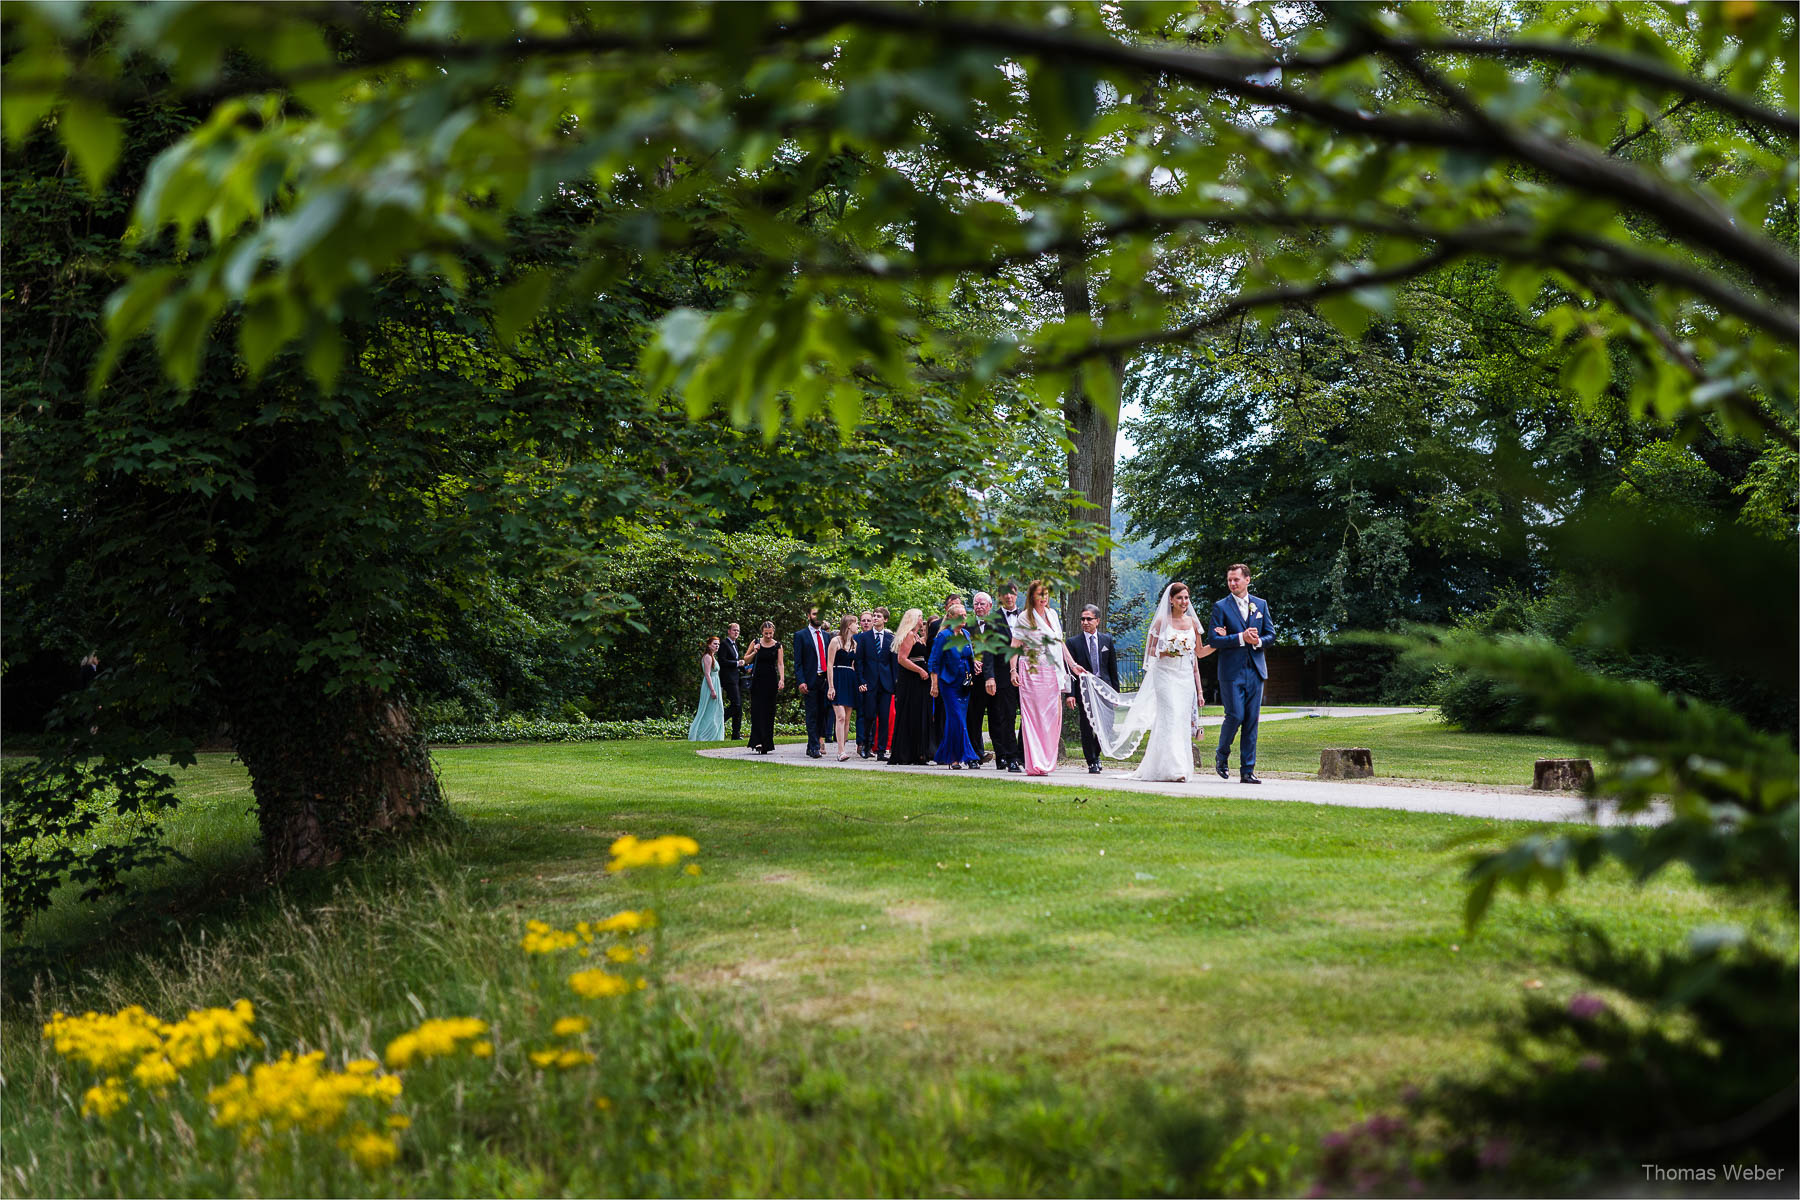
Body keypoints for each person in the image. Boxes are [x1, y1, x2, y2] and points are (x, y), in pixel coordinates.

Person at [1080, 583, 1215, 782]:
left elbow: (1200, 653)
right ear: (1171, 599)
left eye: (1186, 598)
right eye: (1179, 598)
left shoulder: (1193, 623)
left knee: (1180, 719)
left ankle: (1177, 766)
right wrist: (1166, 650)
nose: (1184, 602)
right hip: (1165, 675)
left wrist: (1220, 642)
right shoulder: (1162, 621)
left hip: (1184, 678)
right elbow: (1151, 651)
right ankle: (1174, 769)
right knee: (1169, 715)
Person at [1009, 581, 1087, 776]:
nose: (1043, 598)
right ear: (1032, 597)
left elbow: (1059, 642)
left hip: (1052, 672)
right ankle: (1034, 761)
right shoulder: (1024, 618)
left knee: (1051, 717)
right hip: (1032, 670)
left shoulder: (1052, 615)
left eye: (1046, 594)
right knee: (1034, 717)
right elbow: (1014, 646)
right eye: (1039, 595)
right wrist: (1013, 670)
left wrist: (1072, 664)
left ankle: (1046, 760)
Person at [1208, 563, 1276, 784]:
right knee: (1235, 715)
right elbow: (1214, 640)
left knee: (1251, 722)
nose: (1232, 583)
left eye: (1236, 579)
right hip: (1231, 671)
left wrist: (1257, 641)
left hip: (1255, 670)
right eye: (1229, 580)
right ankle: (1222, 754)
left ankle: (1247, 771)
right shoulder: (1220, 607)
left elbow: (1271, 635)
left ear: (1247, 579)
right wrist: (1239, 638)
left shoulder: (1260, 605)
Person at [1064, 604, 1121, 774]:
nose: (1085, 622)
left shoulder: (1106, 640)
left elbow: (1112, 669)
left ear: (1097, 621)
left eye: (1089, 619)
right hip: (1084, 690)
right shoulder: (1073, 643)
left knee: (1107, 726)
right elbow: (1070, 672)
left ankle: (1096, 753)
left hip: (1104, 689)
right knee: (1087, 726)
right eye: (1083, 619)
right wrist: (1070, 694)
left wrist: (1115, 694)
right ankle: (1091, 761)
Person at [927, 597, 982, 769]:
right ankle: (970, 756)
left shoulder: (966, 634)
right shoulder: (943, 635)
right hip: (948, 683)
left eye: (965, 615)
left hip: (964, 682)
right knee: (958, 719)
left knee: (955, 721)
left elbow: (968, 655)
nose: (964, 619)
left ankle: (952, 758)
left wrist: (976, 664)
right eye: (960, 616)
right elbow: (934, 662)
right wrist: (934, 685)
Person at [969, 591, 1020, 772]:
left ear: (990, 606)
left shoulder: (998, 622)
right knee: (973, 716)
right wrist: (972, 661)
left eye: (983, 603)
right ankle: (974, 755)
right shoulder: (967, 625)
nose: (979, 607)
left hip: (998, 676)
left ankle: (1003, 756)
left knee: (998, 717)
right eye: (976, 604)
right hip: (973, 677)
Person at [887, 608, 934, 765]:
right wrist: (920, 670)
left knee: (920, 714)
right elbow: (902, 658)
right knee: (911, 713)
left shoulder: (917, 637)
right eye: (920, 617)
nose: (922, 620)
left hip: (921, 682)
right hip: (912, 681)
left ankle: (919, 751)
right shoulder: (908, 635)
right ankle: (908, 752)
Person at [855, 607, 895, 760]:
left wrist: (894, 685)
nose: (875, 618)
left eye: (879, 616)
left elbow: (893, 664)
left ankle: (881, 750)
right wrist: (861, 681)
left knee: (884, 717)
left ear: (885, 620)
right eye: (874, 616)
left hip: (886, 684)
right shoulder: (864, 638)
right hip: (869, 683)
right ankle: (866, 744)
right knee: (869, 715)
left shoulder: (891, 638)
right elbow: (859, 662)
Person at [792, 606, 832, 758]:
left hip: (825, 680)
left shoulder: (827, 636)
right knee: (812, 714)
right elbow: (798, 662)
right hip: (810, 680)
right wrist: (801, 681)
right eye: (815, 614)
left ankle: (811, 746)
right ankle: (814, 747)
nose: (818, 616)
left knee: (823, 714)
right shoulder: (801, 635)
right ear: (808, 615)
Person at [743, 620, 784, 753]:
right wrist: (755, 652)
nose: (768, 636)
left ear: (774, 632)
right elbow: (745, 660)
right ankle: (757, 741)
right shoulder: (755, 642)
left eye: (770, 633)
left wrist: (782, 679)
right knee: (757, 711)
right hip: (757, 681)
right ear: (762, 632)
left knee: (769, 712)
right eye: (766, 633)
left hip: (771, 680)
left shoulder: (778, 645)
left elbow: (780, 664)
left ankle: (767, 742)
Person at [826, 614, 860, 761]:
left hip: (850, 678)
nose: (858, 626)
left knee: (847, 718)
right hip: (838, 677)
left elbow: (854, 665)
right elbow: (829, 665)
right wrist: (831, 686)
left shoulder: (855, 644)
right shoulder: (835, 641)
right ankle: (840, 751)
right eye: (856, 623)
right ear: (848, 625)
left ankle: (843, 748)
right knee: (840, 716)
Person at [686, 636, 726, 741]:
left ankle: (714, 736)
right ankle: (701, 735)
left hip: (715, 683)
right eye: (714, 644)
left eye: (718, 644)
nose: (717, 646)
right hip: (710, 685)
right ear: (709, 645)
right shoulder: (707, 657)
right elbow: (707, 674)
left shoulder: (712, 657)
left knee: (717, 710)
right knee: (707, 710)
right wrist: (712, 690)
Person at [719, 622, 744, 741]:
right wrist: (736, 663)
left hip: (736, 678)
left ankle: (736, 733)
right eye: (734, 630)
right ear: (729, 631)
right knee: (736, 705)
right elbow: (722, 661)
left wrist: (744, 668)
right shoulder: (724, 644)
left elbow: (735, 662)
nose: (736, 632)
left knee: (738, 707)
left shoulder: (735, 645)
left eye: (738, 631)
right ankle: (719, 720)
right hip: (728, 679)